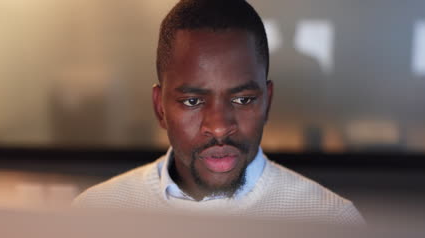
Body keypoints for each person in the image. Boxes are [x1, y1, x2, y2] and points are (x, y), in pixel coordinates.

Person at [73, 0, 364, 224]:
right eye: (192, 102)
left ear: (268, 102)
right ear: (159, 108)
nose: (220, 127)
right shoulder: (95, 214)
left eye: (243, 100)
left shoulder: (330, 221)